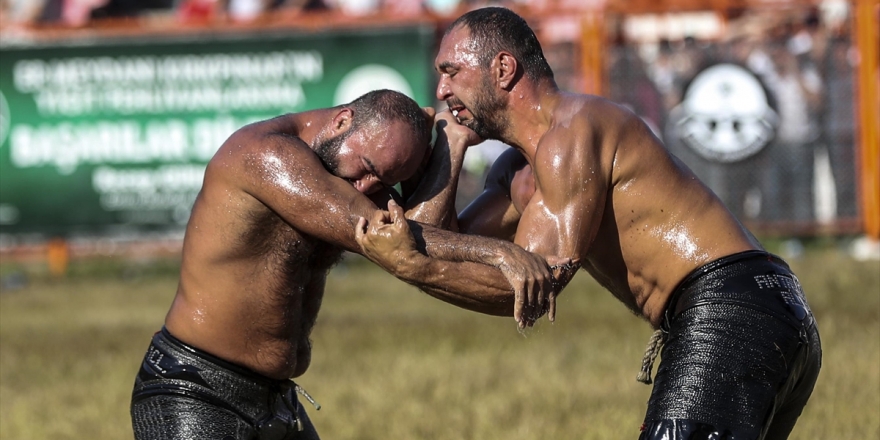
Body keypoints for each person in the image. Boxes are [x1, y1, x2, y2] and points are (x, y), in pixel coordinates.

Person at [354, 8, 822, 439]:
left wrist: (412, 268)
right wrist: (450, 148)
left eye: (451, 72)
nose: (440, 91)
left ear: (502, 69)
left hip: (730, 311)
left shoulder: (570, 134)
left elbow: (529, 285)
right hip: (760, 308)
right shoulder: (518, 170)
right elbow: (441, 243)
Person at [129, 88, 561, 440]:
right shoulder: (266, 156)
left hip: (275, 399)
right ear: (342, 120)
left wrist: (451, 141)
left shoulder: (346, 173)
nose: (369, 186)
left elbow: (413, 237)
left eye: (385, 181)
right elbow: (381, 232)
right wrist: (501, 252)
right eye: (367, 168)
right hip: (195, 392)